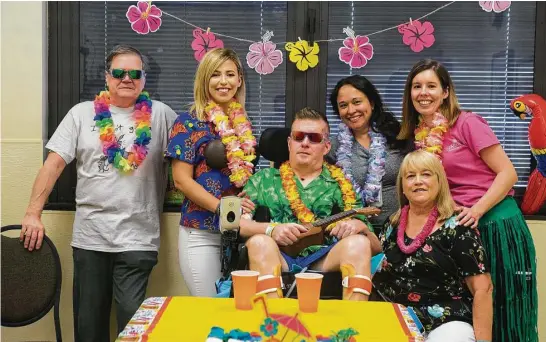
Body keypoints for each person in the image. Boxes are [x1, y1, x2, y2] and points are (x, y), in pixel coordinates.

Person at [20, 45, 177, 341]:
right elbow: (53, 165)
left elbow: (188, 154)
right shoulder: (81, 114)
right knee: (88, 328)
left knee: (133, 329)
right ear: (107, 78)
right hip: (91, 238)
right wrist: (32, 214)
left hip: (138, 239)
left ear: (144, 79)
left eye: (135, 73)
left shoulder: (161, 115)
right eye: (119, 72)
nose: (127, 78)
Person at [398, 58, 538, 342]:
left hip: (495, 224)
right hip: (462, 230)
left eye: (431, 86)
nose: (423, 92)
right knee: (473, 309)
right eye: (417, 86)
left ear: (446, 92)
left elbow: (508, 173)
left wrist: (476, 210)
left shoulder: (467, 123)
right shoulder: (420, 135)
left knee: (504, 309)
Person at [239, 107, 382, 301]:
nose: (305, 143)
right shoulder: (262, 180)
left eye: (314, 138)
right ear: (290, 143)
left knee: (358, 243)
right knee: (259, 242)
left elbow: (374, 247)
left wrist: (361, 227)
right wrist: (271, 230)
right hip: (278, 257)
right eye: (299, 137)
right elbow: (236, 225)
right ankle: (273, 324)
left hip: (323, 259)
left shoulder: (342, 184)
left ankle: (353, 324)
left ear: (326, 146)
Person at [372, 150, 493, 342]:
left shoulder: (459, 227)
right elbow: (377, 273)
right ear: (403, 186)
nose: (418, 181)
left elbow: (482, 289)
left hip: (448, 321)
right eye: (410, 176)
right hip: (395, 318)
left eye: (426, 174)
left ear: (439, 182)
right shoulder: (391, 225)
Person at [165, 48, 256, 297]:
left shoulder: (244, 126)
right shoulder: (188, 122)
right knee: (210, 308)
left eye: (230, 74)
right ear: (205, 79)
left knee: (238, 312)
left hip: (239, 235)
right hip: (201, 233)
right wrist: (223, 208)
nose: (223, 82)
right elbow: (182, 181)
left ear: (239, 80)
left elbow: (244, 178)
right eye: (215, 75)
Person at [327, 75, 407, 233]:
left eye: (357, 102)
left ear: (371, 102)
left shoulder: (399, 136)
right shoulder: (333, 148)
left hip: (401, 226)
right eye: (343, 105)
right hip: (356, 231)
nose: (351, 110)